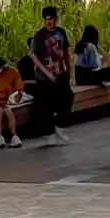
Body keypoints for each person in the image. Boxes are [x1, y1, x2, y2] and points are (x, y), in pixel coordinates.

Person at [29, 8, 73, 148]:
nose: (50, 22)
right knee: (46, 105)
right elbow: (34, 57)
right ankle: (50, 134)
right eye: (47, 19)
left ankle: (59, 126)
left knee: (67, 98)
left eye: (52, 19)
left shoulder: (61, 32)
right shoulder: (39, 36)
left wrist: (68, 67)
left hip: (61, 72)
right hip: (45, 75)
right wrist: (47, 73)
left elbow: (65, 51)